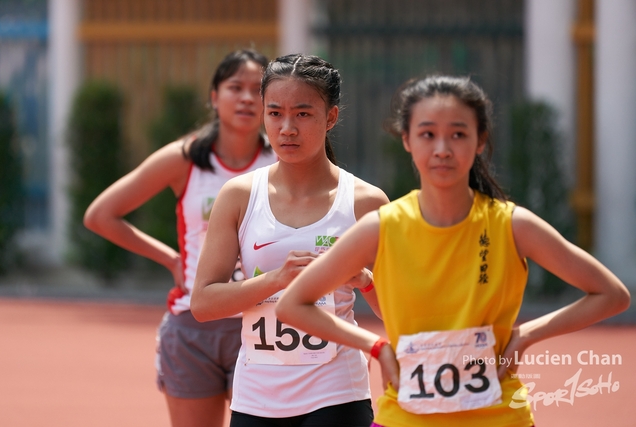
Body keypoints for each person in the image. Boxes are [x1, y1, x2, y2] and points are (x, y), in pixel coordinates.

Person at [276, 75, 631, 427]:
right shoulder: (381, 227)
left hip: (499, 419)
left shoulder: (512, 225)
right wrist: (376, 347)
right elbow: (293, 304)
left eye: (458, 134)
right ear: (407, 139)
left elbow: (611, 295)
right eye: (428, 134)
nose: (442, 149)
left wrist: (526, 334)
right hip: (405, 418)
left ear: (480, 141)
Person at [190, 54, 389, 427]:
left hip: (337, 392)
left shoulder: (366, 202)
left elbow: (396, 312)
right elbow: (203, 303)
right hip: (256, 397)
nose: (287, 128)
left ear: (330, 117)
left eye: (302, 114)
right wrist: (276, 280)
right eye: (275, 113)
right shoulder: (238, 196)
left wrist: (365, 280)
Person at [84, 49, 278, 427]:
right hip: (193, 325)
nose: (246, 98)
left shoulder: (282, 161)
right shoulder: (185, 158)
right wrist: (171, 259)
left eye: (257, 90)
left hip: (263, 324)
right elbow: (100, 216)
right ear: (213, 96)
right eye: (234, 87)